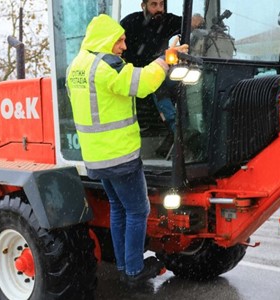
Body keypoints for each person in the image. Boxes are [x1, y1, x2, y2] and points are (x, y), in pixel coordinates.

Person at [66, 14, 188, 286]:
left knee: (119, 208)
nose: (123, 46)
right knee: (137, 210)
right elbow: (142, 84)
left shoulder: (78, 65)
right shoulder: (105, 66)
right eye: (119, 41)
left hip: (97, 157)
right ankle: (133, 270)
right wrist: (166, 58)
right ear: (104, 41)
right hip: (120, 156)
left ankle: (124, 265)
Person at [121, 0, 182, 137]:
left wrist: (197, 21)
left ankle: (193, 127)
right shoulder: (130, 22)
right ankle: (179, 134)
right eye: (154, 4)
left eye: (161, 4)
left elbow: (189, 23)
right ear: (144, 6)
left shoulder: (168, 20)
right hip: (138, 75)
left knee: (187, 84)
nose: (159, 9)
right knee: (159, 88)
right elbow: (116, 44)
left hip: (162, 72)